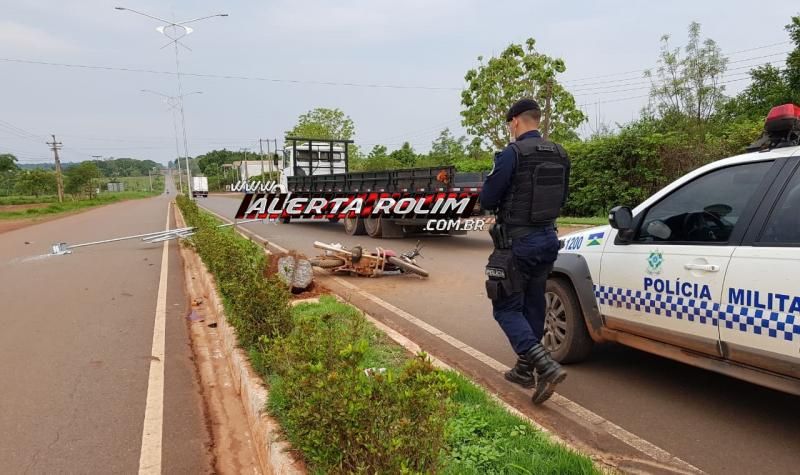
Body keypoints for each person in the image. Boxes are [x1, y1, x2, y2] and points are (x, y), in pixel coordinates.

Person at [480, 98, 571, 404]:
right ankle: (523, 369)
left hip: (518, 244)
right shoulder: (560, 154)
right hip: (547, 240)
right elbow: (563, 197)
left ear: (516, 121)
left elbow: (488, 198)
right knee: (533, 304)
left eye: (510, 124)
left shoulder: (512, 154)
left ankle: (545, 366)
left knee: (505, 307)